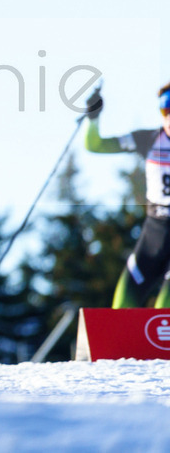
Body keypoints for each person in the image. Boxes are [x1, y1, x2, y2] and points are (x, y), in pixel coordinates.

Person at [84, 83, 170, 308]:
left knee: (164, 312)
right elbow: (95, 145)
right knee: (122, 307)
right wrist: (93, 116)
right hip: (155, 232)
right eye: (165, 108)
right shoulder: (149, 140)